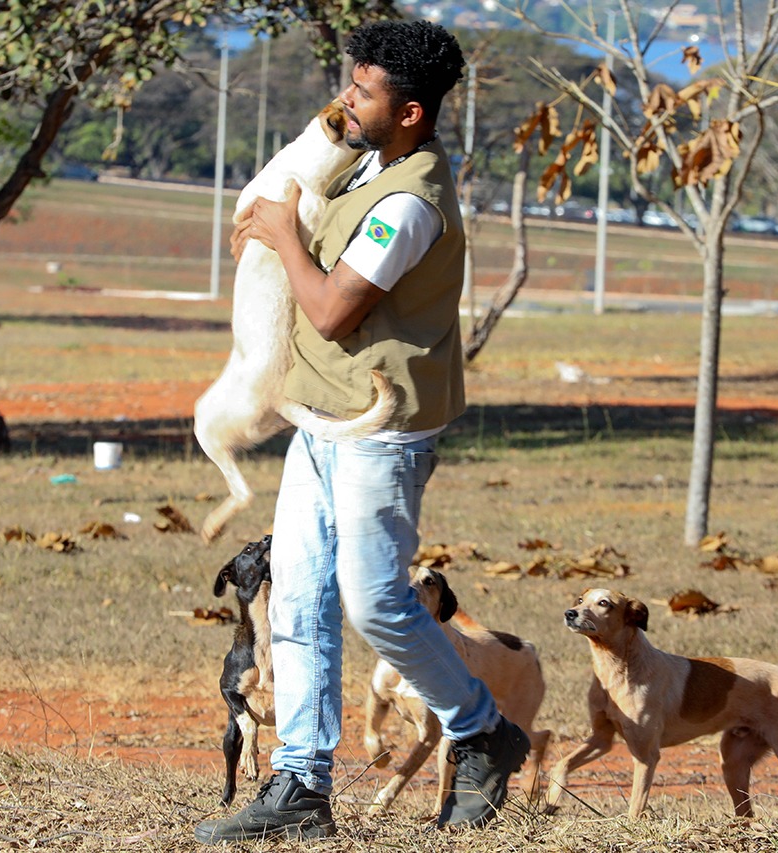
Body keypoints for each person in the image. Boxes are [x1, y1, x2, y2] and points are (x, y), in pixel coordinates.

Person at [194, 20, 529, 845]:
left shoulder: (409, 204)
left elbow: (335, 306)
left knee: (376, 601)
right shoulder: (370, 168)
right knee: (296, 597)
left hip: (383, 431)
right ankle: (302, 781)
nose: (347, 97)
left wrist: (279, 235)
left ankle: (481, 726)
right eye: (351, 80)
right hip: (324, 414)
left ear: (410, 112)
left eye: (364, 90)